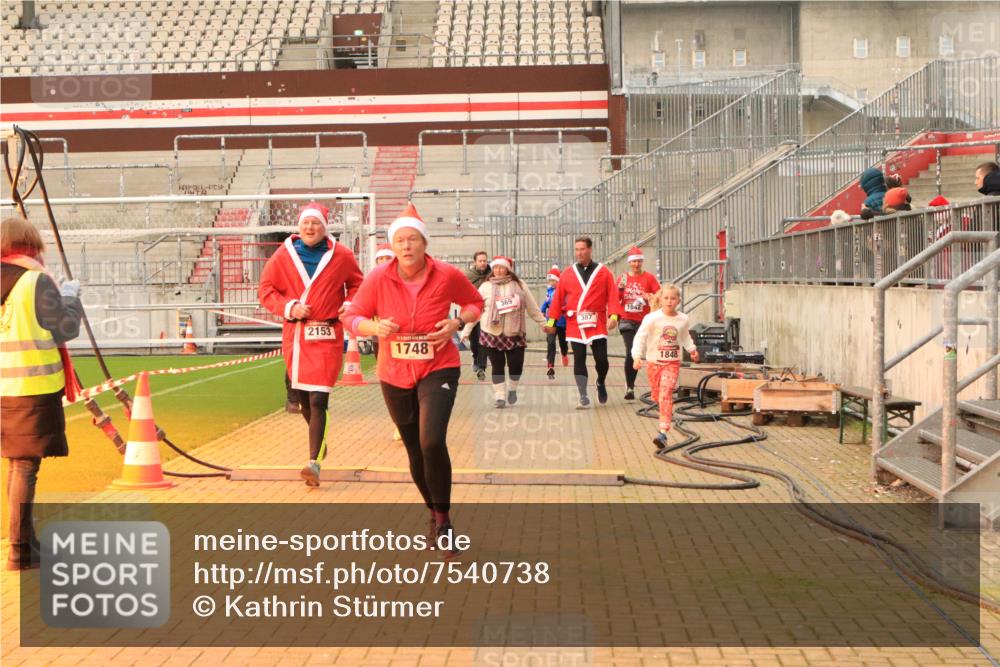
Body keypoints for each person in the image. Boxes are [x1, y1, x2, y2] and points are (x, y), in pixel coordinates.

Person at [344, 203, 483, 553]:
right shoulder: (378, 278)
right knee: (414, 450)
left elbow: (474, 303)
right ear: (394, 245)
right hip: (394, 372)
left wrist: (456, 322)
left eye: (413, 239)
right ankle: (433, 512)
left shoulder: (447, 274)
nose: (406, 246)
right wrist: (375, 327)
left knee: (431, 441)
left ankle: (445, 520)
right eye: (400, 240)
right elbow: (353, 316)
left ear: (424, 243)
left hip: (439, 367)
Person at [259, 202, 363, 488]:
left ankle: (313, 462)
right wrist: (290, 306)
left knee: (319, 399)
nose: (310, 228)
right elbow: (266, 289)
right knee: (304, 401)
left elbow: (357, 284)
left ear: (324, 227)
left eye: (315, 223)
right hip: (297, 336)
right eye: (305, 223)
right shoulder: (284, 255)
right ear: (299, 225)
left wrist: (348, 304)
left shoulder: (341, 255)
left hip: (328, 334)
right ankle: (319, 440)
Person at [1, 216, 83, 570]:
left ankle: (25, 539)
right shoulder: (34, 281)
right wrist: (70, 297)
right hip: (31, 387)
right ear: (32, 244)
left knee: (15, 465)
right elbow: (66, 328)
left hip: (4, 387)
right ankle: (20, 549)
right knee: (25, 467)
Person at [545, 236, 623, 408]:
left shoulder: (603, 272)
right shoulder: (567, 273)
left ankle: (600, 382)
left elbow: (613, 295)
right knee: (579, 358)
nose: (579, 253)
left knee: (601, 360)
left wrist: (614, 316)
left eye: (582, 249)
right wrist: (551, 322)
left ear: (590, 250)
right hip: (575, 323)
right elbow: (557, 299)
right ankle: (583, 394)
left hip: (597, 321)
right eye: (577, 250)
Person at [461, 256, 547, 408]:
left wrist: (543, 323)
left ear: (508, 269)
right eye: (495, 268)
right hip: (491, 333)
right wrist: (466, 330)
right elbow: (476, 310)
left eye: (501, 267)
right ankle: (500, 396)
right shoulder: (485, 287)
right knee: (497, 366)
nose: (498, 270)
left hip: (514, 333)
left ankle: (512, 390)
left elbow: (532, 307)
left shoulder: (519, 285)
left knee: (516, 366)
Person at [631, 283, 700, 449]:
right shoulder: (652, 318)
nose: (669, 301)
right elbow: (640, 337)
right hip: (654, 362)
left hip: (671, 363)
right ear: (660, 299)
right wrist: (636, 356)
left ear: (678, 301)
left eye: (673, 298)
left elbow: (684, 337)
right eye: (666, 298)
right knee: (657, 396)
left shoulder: (683, 319)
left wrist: (692, 350)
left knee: (665, 395)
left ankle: (663, 432)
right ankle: (663, 420)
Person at [616, 246, 660, 401]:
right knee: (631, 352)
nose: (636, 264)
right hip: (627, 319)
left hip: (644, 321)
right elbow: (616, 299)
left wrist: (649, 296)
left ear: (642, 262)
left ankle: (655, 386)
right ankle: (630, 387)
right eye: (634, 261)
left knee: (645, 353)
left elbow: (659, 295)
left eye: (639, 261)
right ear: (629, 263)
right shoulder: (623, 278)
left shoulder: (649, 278)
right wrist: (620, 291)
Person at [462, 250, 491, 380]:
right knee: (474, 340)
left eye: (485, 260)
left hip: (486, 312)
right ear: (475, 262)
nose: (483, 263)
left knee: (483, 338)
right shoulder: (468, 275)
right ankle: (475, 357)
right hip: (471, 311)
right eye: (480, 261)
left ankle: (481, 366)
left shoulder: (492, 274)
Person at [539, 264, 568, 379]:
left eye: (553, 280)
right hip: (551, 319)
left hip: (562, 320)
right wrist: (541, 311)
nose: (551, 282)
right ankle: (550, 366)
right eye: (549, 280)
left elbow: (567, 304)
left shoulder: (563, 291)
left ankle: (564, 354)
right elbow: (546, 303)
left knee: (563, 342)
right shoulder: (549, 291)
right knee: (551, 342)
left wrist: (563, 310)